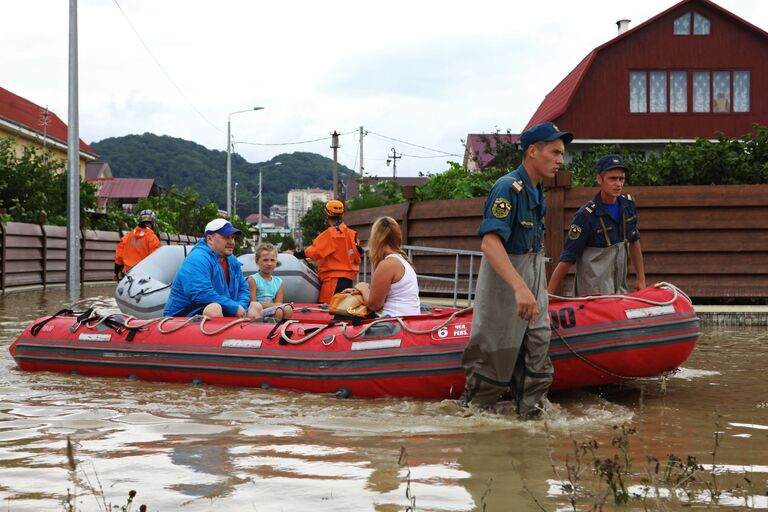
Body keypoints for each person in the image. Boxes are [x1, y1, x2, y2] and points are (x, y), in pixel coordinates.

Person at [460, 122, 572, 418]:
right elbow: (490, 243)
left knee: (537, 354)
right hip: (505, 291)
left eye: (562, 154)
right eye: (555, 152)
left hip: (533, 285)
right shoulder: (507, 188)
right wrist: (520, 287)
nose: (561, 160)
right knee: (492, 366)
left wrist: (536, 290)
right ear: (533, 152)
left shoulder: (537, 193)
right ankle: (473, 425)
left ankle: (530, 430)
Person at [547, 154, 646, 297]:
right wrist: (549, 294)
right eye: (612, 179)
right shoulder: (585, 216)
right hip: (592, 293)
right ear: (599, 179)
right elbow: (568, 257)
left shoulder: (628, 205)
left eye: (621, 179)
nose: (618, 184)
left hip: (620, 288)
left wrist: (641, 279)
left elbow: (634, 240)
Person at [163, 218, 263, 319]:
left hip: (222, 307)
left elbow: (243, 288)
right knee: (214, 309)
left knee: (256, 306)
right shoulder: (197, 259)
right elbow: (202, 293)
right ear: (210, 239)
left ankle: (242, 333)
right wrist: (235, 308)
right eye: (226, 237)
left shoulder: (232, 261)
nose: (231, 242)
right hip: (183, 315)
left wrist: (241, 306)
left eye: (232, 238)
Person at [346, 216, 420, 317]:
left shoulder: (387, 264)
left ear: (375, 239)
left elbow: (374, 305)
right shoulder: (402, 261)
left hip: (392, 323)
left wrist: (362, 287)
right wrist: (365, 289)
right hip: (408, 320)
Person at [294, 200, 362, 304]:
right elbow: (357, 257)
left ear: (327, 214)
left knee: (328, 310)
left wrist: (295, 255)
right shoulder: (352, 234)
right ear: (342, 215)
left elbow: (314, 252)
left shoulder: (330, 234)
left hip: (333, 280)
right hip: (348, 280)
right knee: (342, 310)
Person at [248, 242, 294, 320]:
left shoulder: (279, 282)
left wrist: (277, 305)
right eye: (265, 260)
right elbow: (253, 304)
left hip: (273, 309)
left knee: (288, 309)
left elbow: (278, 303)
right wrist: (274, 305)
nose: (269, 263)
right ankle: (271, 330)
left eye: (272, 260)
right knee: (278, 311)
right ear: (257, 261)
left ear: (276, 262)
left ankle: (283, 329)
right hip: (258, 311)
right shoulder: (252, 279)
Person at [114, 209, 161, 280]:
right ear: (153, 221)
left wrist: (116, 271)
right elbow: (155, 258)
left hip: (127, 273)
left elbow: (119, 255)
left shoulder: (128, 235)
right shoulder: (152, 238)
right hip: (144, 274)